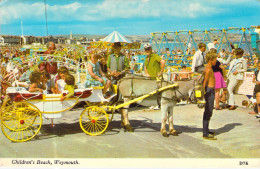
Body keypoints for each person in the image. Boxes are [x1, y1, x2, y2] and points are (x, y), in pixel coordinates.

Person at [202, 52, 217, 140]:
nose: (216, 60)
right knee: (208, 111)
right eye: (215, 59)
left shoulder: (209, 67)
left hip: (211, 90)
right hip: (209, 90)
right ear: (211, 60)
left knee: (209, 111)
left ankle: (206, 130)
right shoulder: (208, 69)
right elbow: (205, 82)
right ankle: (205, 133)